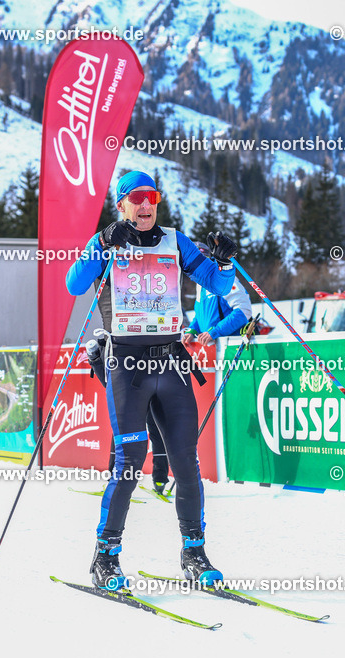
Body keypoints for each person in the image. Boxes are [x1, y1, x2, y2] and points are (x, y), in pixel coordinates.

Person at [66, 170, 238, 591]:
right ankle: (105, 557)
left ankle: (194, 553)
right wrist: (101, 243)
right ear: (121, 203)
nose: (146, 205)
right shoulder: (108, 242)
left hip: (170, 364)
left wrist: (225, 258)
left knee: (186, 462)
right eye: (137, 198)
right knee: (129, 464)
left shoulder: (174, 241)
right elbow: (75, 284)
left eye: (152, 197)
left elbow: (216, 282)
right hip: (126, 365)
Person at [85, 338, 170, 495]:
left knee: (150, 428)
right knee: (125, 430)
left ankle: (159, 479)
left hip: (140, 374)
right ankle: (119, 479)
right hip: (134, 373)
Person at [182, 242, 253, 346]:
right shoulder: (200, 285)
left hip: (232, 346)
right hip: (213, 349)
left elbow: (244, 310)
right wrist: (193, 330)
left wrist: (216, 331)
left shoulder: (223, 279)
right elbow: (201, 316)